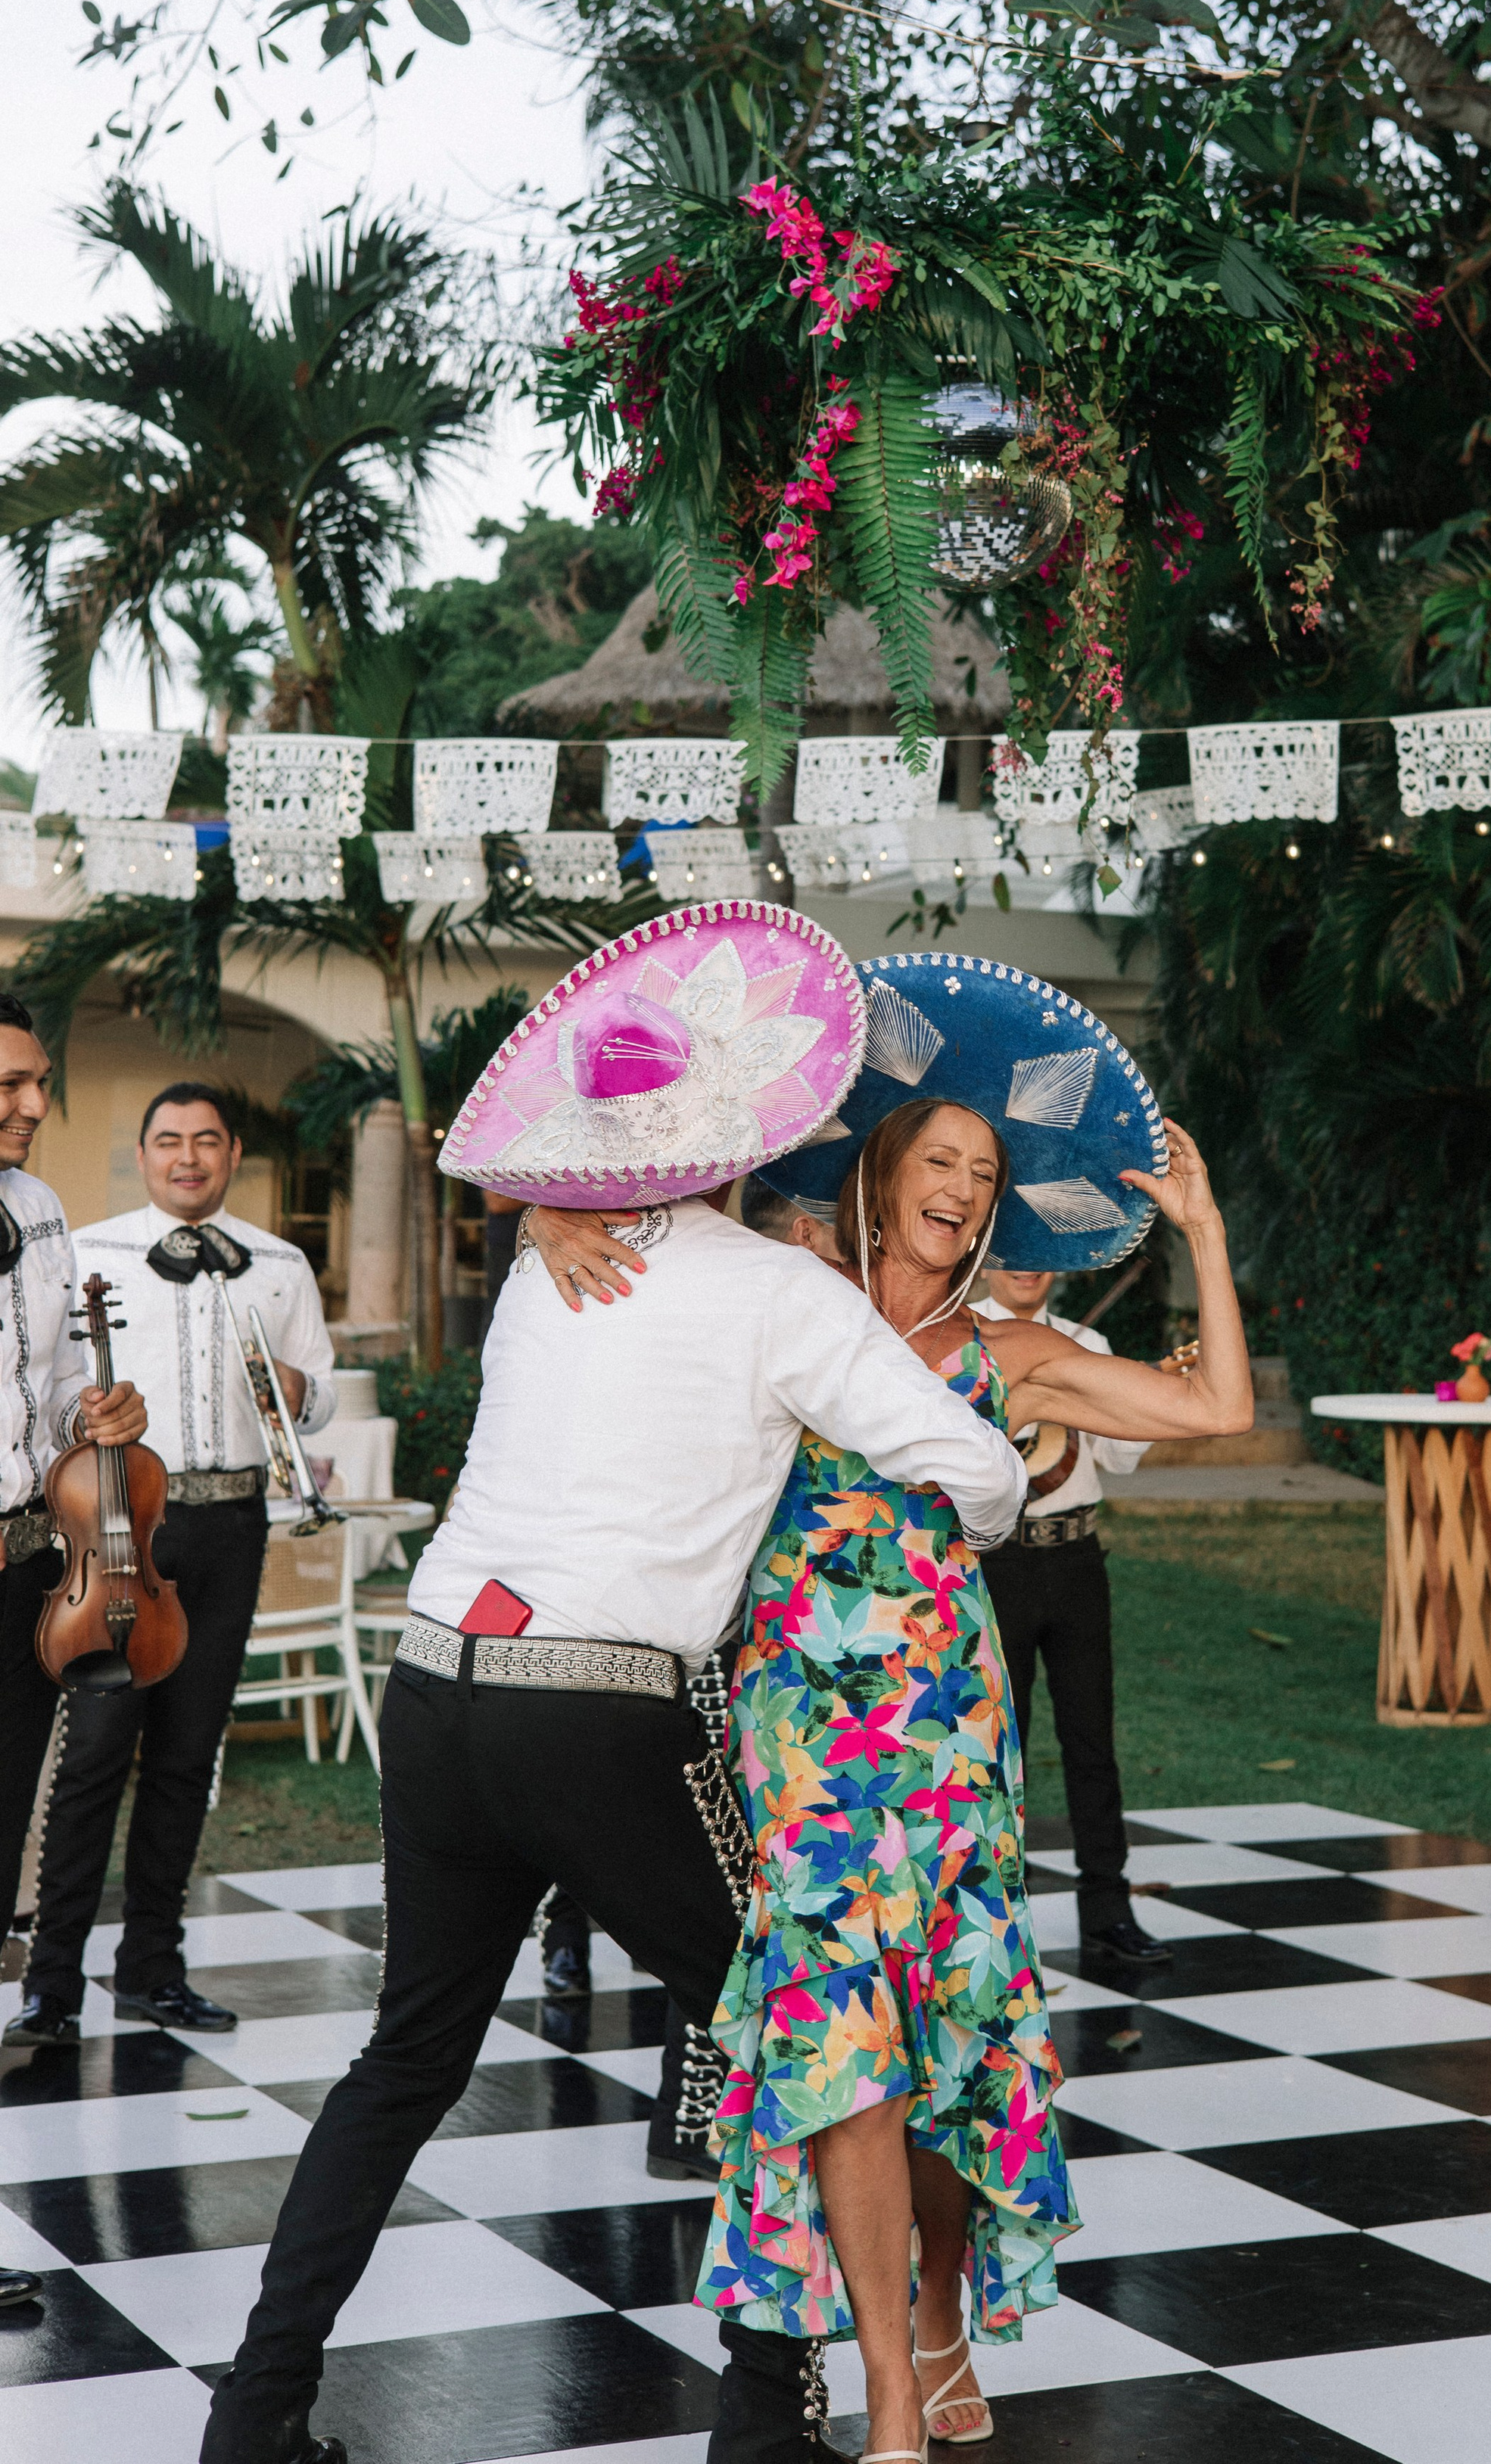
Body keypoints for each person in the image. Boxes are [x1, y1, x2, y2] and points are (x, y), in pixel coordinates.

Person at [198, 904, 1026, 2464]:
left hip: (434, 1686)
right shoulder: (783, 1293)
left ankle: (254, 2417)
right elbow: (974, 1468)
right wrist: (986, 1504)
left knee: (405, 2060)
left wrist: (539, 1217)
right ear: (755, 1137)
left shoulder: (548, 1264)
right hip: (595, 1707)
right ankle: (763, 2423)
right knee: (795, 2030)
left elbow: (573, 1258)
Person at [533, 956, 1253, 2464]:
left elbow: (1219, 1413)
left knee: (944, 2049)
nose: (962, 1189)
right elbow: (643, 1218)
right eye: (941, 1160)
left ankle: (938, 2312)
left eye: (983, 1175)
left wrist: (1200, 1231)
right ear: (880, 1172)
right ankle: (887, 2384)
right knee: (842, 2042)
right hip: (798, 1733)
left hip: (944, 1745)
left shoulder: (1010, 1357)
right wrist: (545, 1216)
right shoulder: (784, 1305)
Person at [5, 1081, 337, 2052]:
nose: (186, 1157)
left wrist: (297, 1388)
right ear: (145, 1154)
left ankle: (154, 1968)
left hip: (232, 1524)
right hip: (118, 1529)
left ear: (233, 1153)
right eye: (167, 1140)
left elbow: (318, 1402)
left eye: (206, 1140)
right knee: (91, 1761)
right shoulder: (84, 1251)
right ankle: (53, 1985)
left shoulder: (283, 1264)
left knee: (190, 1758)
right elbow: (50, 1382)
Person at [0, 990, 151, 2310]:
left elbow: (43, 1393)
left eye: (38, 1081)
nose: (35, 1106)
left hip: (17, 1580)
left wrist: (94, 1414)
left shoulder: (42, 1212)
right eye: (10, 1084)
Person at [972, 1263, 1166, 1971]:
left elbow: (1120, 1457)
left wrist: (1142, 1393)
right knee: (1000, 1746)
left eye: (1040, 1255)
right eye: (1011, 1254)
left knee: (1092, 1739)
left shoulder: (1090, 1344)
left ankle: (1108, 1910)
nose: (1026, 1269)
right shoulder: (965, 1339)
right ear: (988, 1258)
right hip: (994, 1566)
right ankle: (997, 1919)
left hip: (1078, 1559)